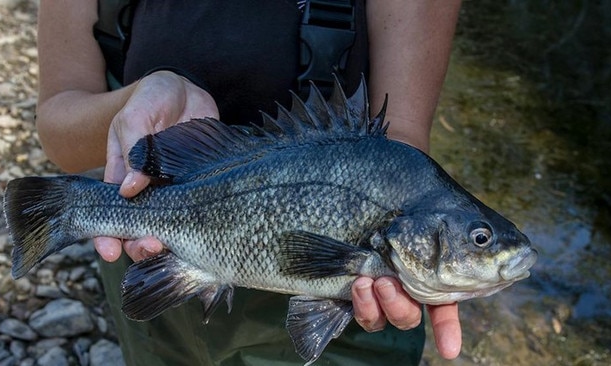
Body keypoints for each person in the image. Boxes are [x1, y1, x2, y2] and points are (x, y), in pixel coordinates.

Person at [35, 1, 463, 364]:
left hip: (348, 323)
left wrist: (424, 272)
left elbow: (400, 143)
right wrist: (134, 102)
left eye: (479, 238)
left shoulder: (406, 209)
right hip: (161, 265)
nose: (479, 244)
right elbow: (57, 120)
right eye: (478, 238)